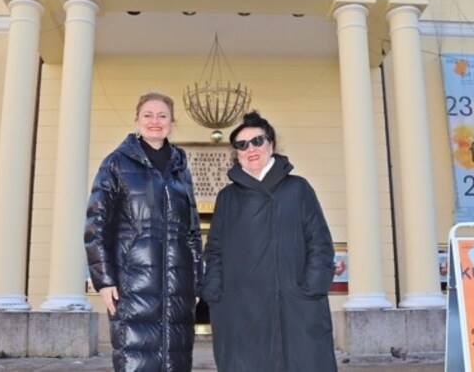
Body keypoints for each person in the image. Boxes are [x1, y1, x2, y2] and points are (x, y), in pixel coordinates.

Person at [201, 111, 337, 372]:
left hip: (294, 304)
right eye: (241, 145)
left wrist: (311, 288)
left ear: (271, 144)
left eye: (257, 141)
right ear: (236, 153)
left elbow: (319, 242)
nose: (250, 148)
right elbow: (215, 248)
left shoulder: (298, 189)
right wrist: (214, 291)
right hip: (240, 309)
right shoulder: (227, 197)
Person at [85, 92, 203, 372]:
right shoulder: (116, 164)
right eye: (148, 115)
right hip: (132, 284)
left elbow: (193, 231)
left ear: (172, 122)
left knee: (176, 360)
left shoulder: (180, 169)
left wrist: (197, 281)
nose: (155, 121)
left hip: (178, 287)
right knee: (136, 360)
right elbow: (95, 226)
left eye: (162, 115)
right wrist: (104, 280)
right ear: (136, 119)